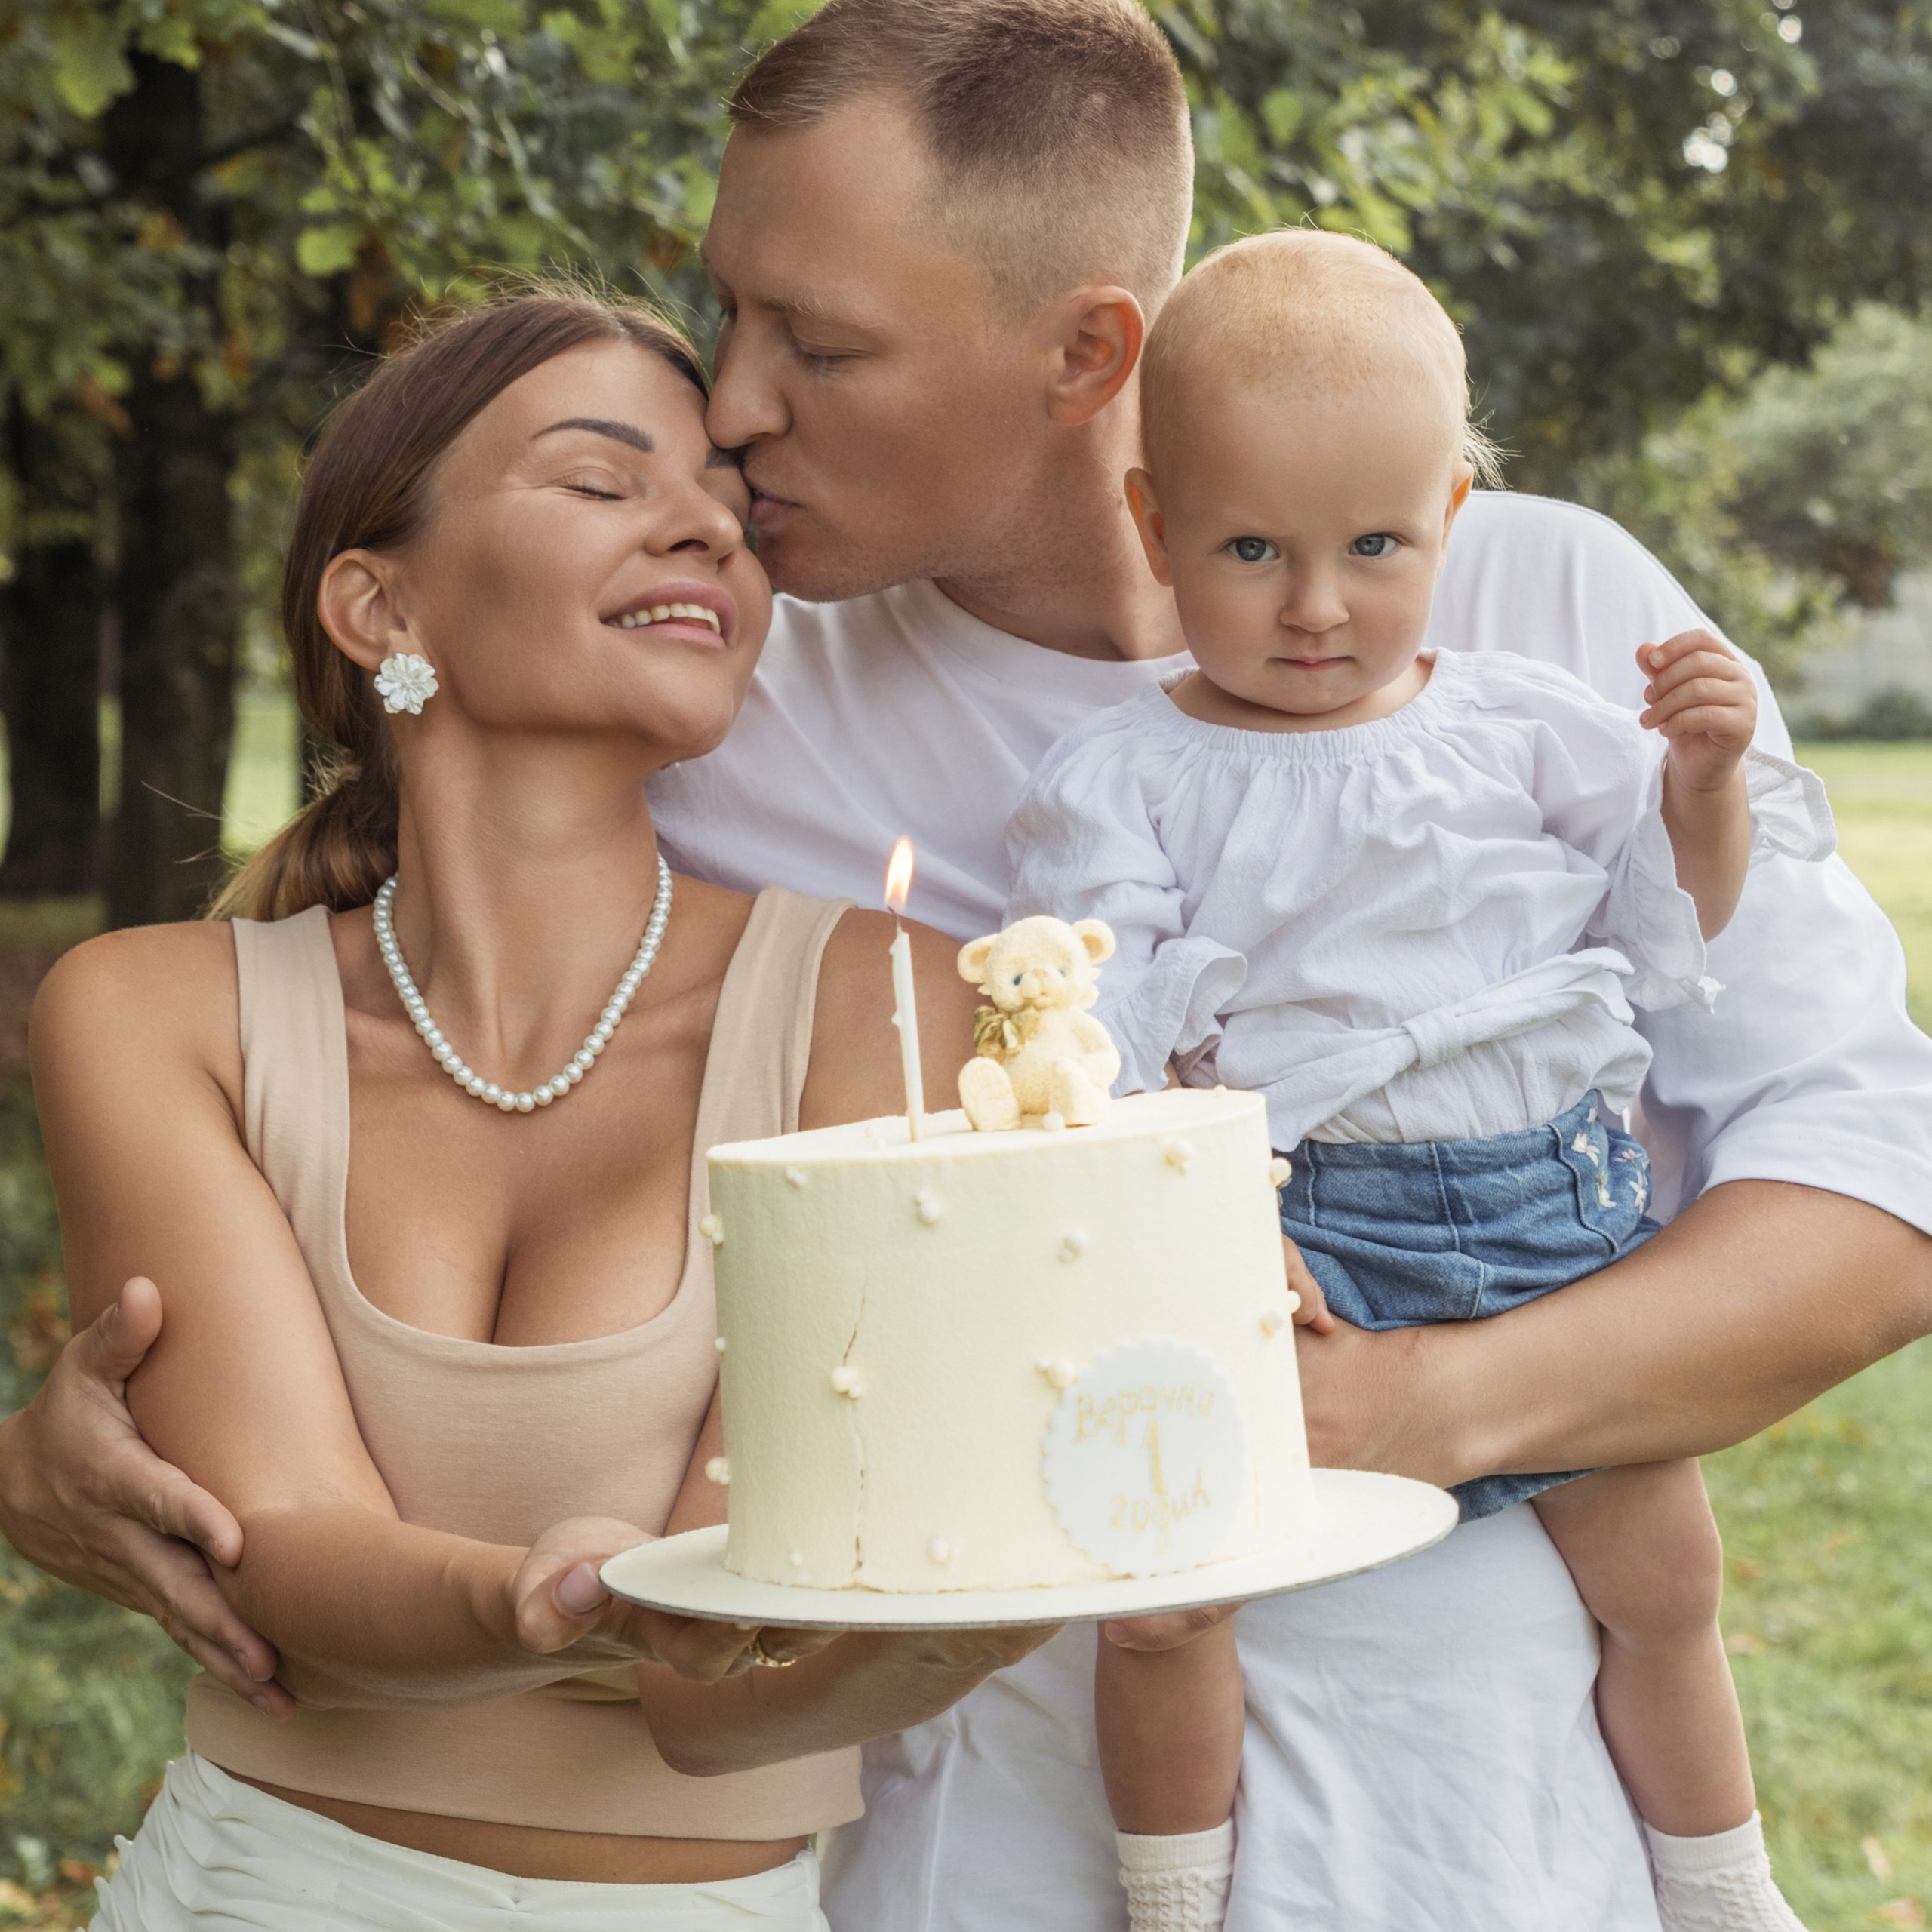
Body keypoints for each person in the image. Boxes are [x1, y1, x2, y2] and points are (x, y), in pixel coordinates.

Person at [5, 2, 1931, 1927]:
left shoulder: (1533, 612)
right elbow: (362, 1019)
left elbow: (1872, 1202)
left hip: (1466, 1803)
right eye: (727, 312)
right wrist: (69, 1452)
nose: (736, 408)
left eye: (819, 344)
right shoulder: (723, 697)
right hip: (942, 1850)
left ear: (1087, 355)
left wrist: (1393, 1407)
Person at [26, 285, 1054, 1930]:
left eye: (727, 509)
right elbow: (272, 1540)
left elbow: (728, 1696)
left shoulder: (894, 1007)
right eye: (603, 482)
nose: (703, 531)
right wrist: (540, 1596)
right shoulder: (156, 1014)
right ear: (380, 605)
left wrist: (940, 1638)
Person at [1007, 227, 1831, 1932]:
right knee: (1172, 1593)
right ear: (1154, 526)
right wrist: (1218, 1230)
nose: (1316, 604)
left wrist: (1701, 788)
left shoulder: (1521, 724)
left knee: (1661, 1578)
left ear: (1451, 514)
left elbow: (1661, 931)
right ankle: (1175, 1891)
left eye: (1374, 545)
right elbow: (1108, 1033)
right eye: (1250, 548)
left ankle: (1720, 1882)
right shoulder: (1126, 771)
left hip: (1552, 1204)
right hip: (1298, 1221)